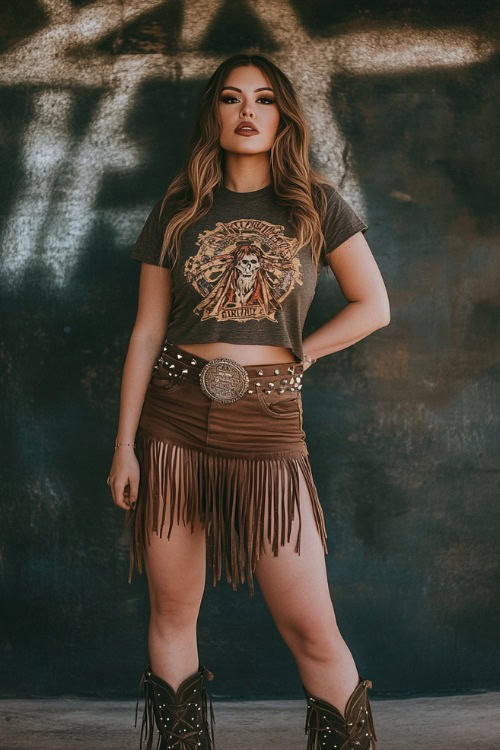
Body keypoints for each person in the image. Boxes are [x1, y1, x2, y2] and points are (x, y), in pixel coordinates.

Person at [107, 53, 389, 750]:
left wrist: (304, 353)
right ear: (215, 115)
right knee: (173, 612)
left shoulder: (315, 203)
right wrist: (123, 446)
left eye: (263, 100)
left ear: (283, 116)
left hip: (267, 423)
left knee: (313, 629)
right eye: (232, 100)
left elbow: (374, 305)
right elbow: (146, 331)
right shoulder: (180, 204)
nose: (247, 112)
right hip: (172, 418)